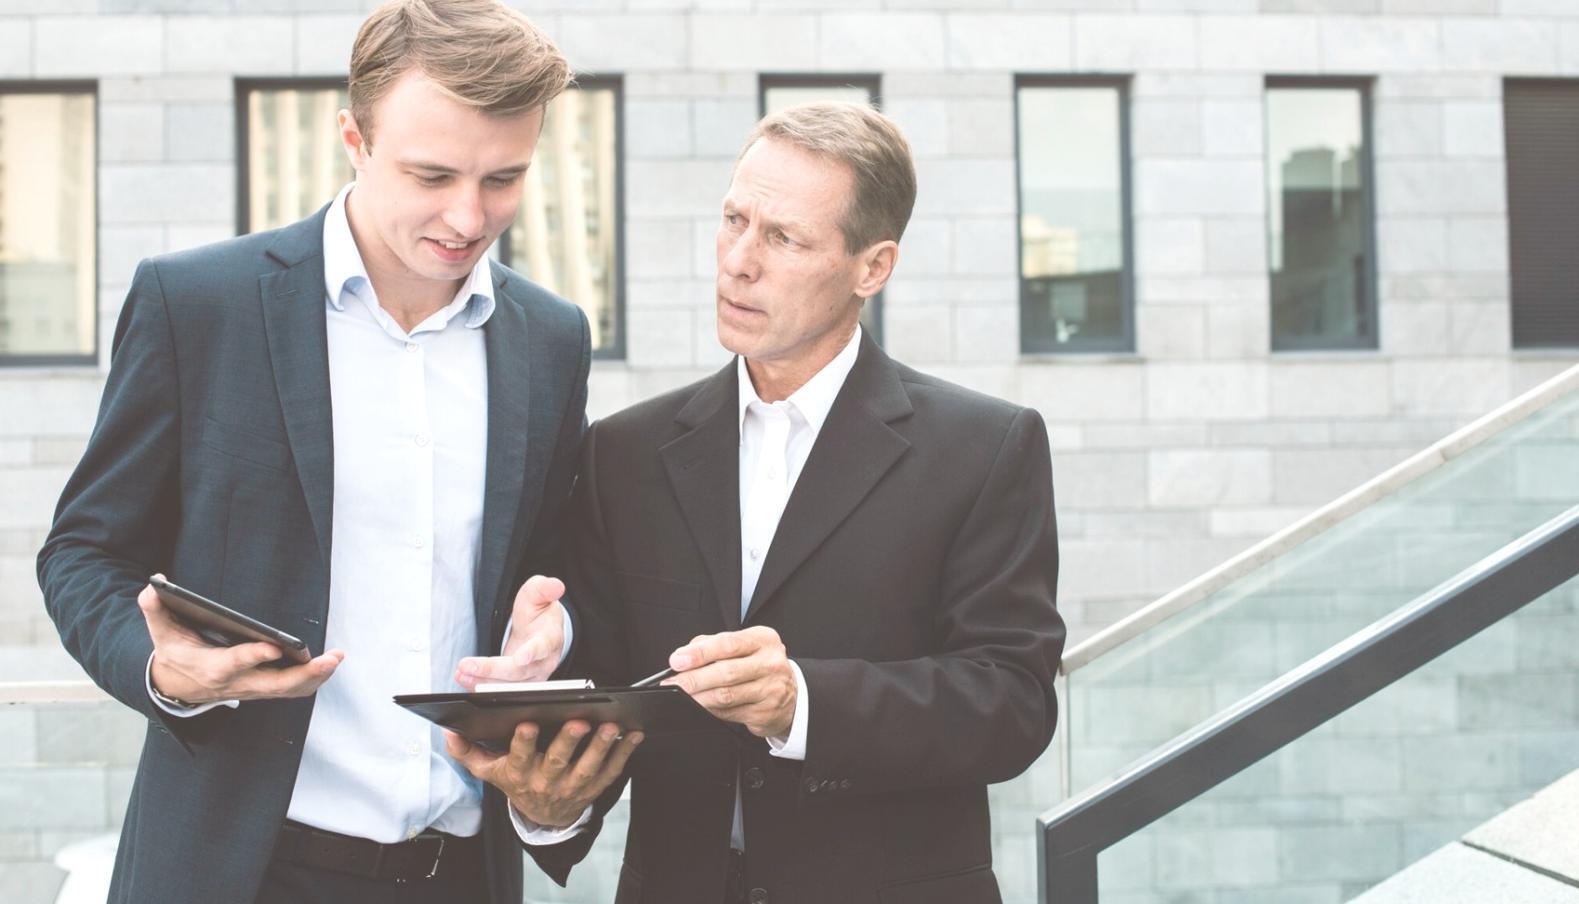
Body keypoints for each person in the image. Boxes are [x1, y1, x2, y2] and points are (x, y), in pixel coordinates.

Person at [33, 2, 634, 902]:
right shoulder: (198, 305)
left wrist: (554, 629)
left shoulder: (550, 339)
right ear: (352, 137)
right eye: (432, 174)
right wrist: (162, 668)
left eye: (503, 179)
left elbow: (550, 571)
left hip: (457, 873)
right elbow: (83, 552)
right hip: (242, 868)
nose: (468, 217)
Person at [450, 102, 1065, 903]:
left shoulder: (985, 447)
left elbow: (1010, 702)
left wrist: (799, 704)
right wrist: (548, 804)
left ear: (871, 267)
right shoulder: (623, 453)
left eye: (783, 238)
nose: (738, 261)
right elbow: (612, 690)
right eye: (734, 220)